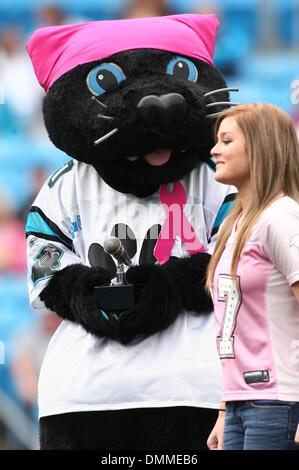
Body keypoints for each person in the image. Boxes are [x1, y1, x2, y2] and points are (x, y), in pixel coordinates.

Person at [205, 102, 299, 450]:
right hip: (240, 403)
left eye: (227, 141)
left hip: (279, 400)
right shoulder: (236, 223)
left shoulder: (282, 218)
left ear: (260, 147)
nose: (214, 149)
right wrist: (224, 407)